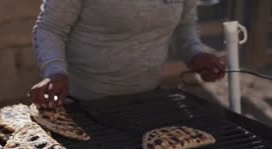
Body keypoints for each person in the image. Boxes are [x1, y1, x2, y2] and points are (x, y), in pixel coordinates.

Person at [29, 0, 225, 108]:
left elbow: (184, 25)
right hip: (83, 105)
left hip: (148, 99)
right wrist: (55, 71)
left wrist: (195, 53)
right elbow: (50, 28)